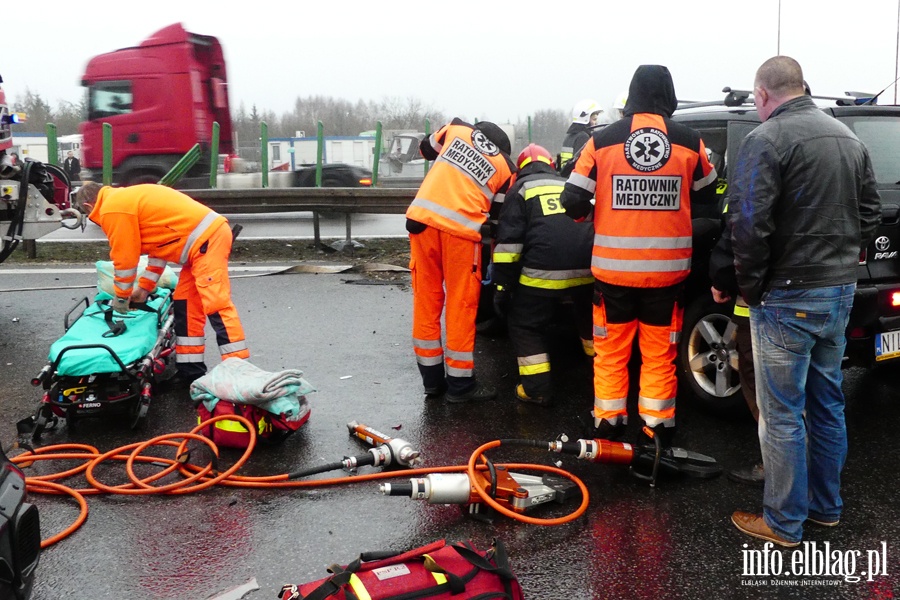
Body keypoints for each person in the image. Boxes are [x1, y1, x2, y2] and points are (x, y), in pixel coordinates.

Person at [729, 56, 881, 548]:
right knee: (827, 402)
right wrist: (845, 260)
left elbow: (749, 226)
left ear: (763, 94)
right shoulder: (848, 137)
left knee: (782, 415)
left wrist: (752, 289)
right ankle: (826, 509)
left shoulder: (766, 140)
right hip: (838, 292)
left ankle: (784, 522)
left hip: (787, 297)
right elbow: (870, 212)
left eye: (755, 101)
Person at [560, 64, 718, 445]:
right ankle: (657, 428)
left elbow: (571, 200)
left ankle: (609, 425)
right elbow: (709, 201)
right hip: (668, 275)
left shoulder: (600, 141)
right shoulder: (690, 141)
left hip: (613, 276)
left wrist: (597, 213)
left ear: (631, 96)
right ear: (670, 95)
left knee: (611, 351)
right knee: (659, 352)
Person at [72, 182, 250, 386]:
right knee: (185, 305)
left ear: (87, 206)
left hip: (207, 241)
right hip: (204, 241)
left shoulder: (113, 208)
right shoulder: (124, 200)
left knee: (216, 305)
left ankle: (239, 372)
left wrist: (121, 297)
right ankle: (191, 373)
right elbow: (159, 249)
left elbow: (124, 260)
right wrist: (144, 288)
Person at [406, 119, 515, 403]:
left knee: (427, 301)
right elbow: (496, 217)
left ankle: (432, 382)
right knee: (460, 304)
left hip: (421, 222)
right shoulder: (507, 169)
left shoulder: (457, 129)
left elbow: (425, 148)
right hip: (461, 234)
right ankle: (460, 385)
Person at [491, 144, 594, 406]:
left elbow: (509, 247)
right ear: (551, 165)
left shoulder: (521, 189)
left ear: (521, 169)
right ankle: (599, 372)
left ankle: (536, 389)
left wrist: (502, 287)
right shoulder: (566, 184)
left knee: (525, 323)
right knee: (587, 318)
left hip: (543, 274)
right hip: (587, 271)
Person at [558, 99, 602, 176]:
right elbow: (583, 165)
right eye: (594, 119)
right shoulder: (583, 137)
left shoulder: (570, 136)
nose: (596, 123)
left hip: (566, 177)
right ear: (586, 119)